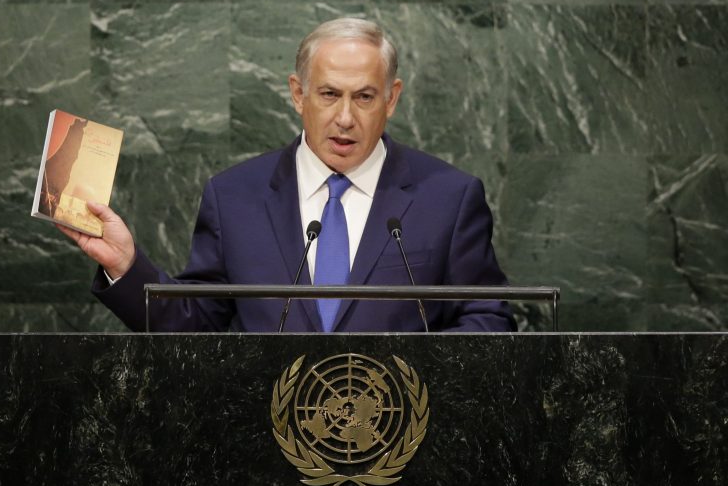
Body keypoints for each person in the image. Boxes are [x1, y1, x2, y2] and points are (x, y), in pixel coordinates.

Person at [58, 18, 515, 332]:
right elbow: (196, 323)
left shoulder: (449, 198)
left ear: (392, 99)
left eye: (365, 97)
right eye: (329, 94)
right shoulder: (235, 196)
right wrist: (125, 267)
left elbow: (488, 319)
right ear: (298, 94)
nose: (344, 118)